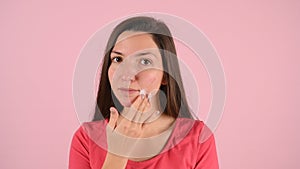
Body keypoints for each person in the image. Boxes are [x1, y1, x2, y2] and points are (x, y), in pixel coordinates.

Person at [69, 16, 219, 169]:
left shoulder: (198, 138)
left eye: (145, 61)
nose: (126, 74)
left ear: (166, 75)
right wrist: (117, 155)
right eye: (117, 59)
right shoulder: (85, 139)